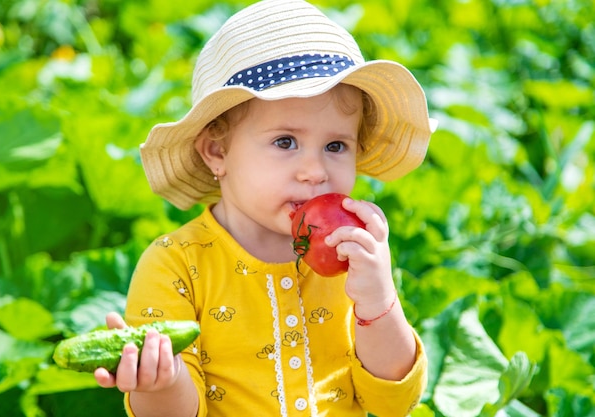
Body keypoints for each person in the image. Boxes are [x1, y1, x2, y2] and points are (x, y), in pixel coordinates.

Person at [94, 0, 437, 415]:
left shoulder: (351, 257)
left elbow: (393, 401)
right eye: (285, 142)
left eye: (335, 146)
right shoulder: (175, 266)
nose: (314, 171)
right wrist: (161, 382)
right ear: (217, 151)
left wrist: (379, 304)